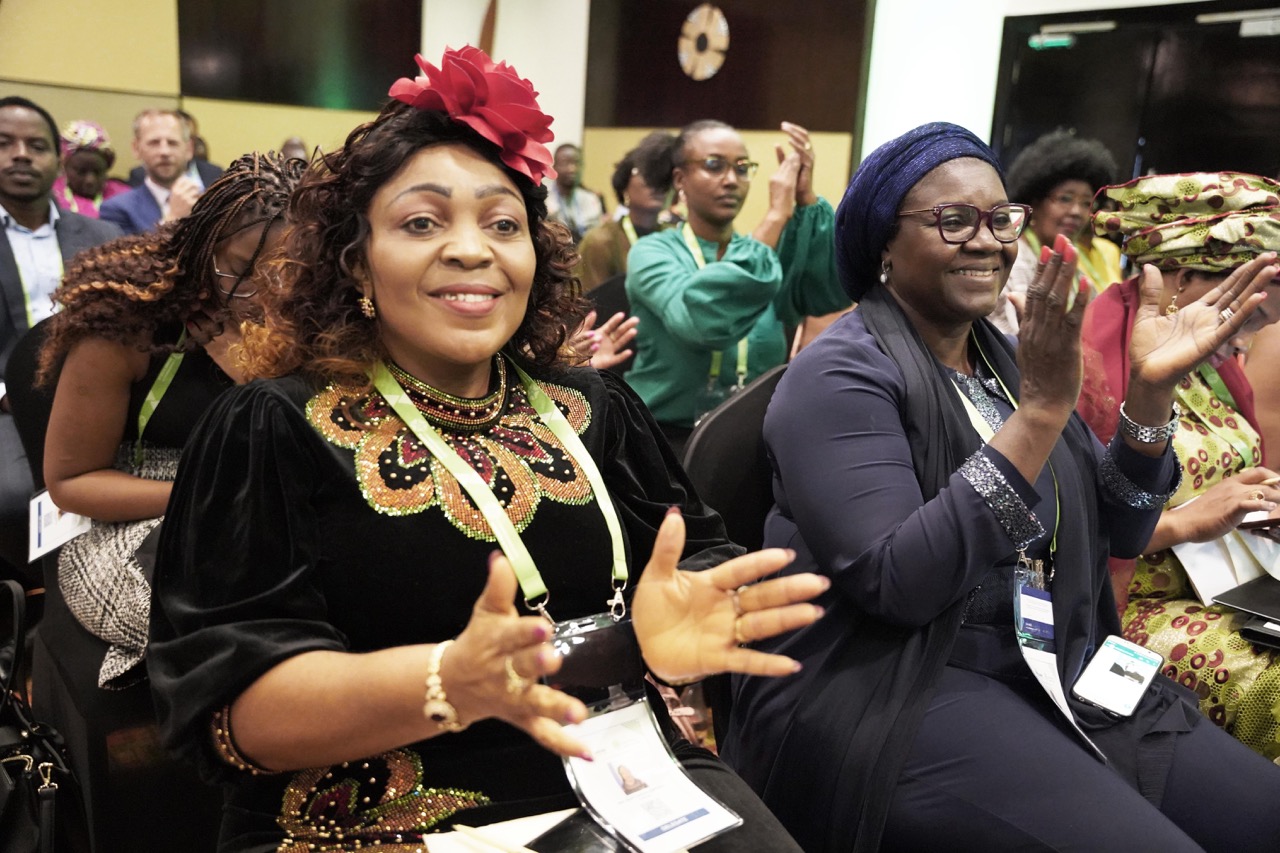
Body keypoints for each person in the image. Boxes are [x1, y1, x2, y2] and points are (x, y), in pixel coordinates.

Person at [147, 46, 825, 852]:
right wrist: (448, 682)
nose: (473, 249)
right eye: (422, 222)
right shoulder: (273, 427)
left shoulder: (594, 406)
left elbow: (695, 561)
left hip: (617, 764)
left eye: (503, 223)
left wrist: (677, 624)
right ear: (355, 262)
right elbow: (236, 713)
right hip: (365, 806)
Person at [720, 122, 1280, 852]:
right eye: (952, 220)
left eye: (1000, 218)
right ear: (882, 243)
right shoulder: (838, 374)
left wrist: (1149, 395)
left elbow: (1123, 526)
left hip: (1052, 656)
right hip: (901, 682)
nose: (985, 240)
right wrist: (1043, 412)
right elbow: (900, 584)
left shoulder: (1002, 357)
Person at [38, 151, 304, 687]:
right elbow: (71, 482)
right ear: (200, 250)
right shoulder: (132, 327)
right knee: (228, 623)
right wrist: (212, 491)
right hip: (136, 512)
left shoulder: (322, 320)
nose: (268, 300)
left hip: (277, 498)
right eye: (241, 272)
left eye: (291, 276)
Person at [1078, 172, 1280, 757]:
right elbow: (1053, 532)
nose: (1244, 344)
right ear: (1181, 278)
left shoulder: (1218, 370)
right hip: (1125, 607)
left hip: (1230, 590)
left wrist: (1254, 501)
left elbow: (1224, 483)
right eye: (1244, 319)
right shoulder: (1090, 366)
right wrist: (1184, 523)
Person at [624, 120, 850, 452]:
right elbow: (701, 323)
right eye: (714, 166)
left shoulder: (761, 255)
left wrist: (805, 201)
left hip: (753, 439)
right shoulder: (653, 252)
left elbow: (825, 292)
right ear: (680, 179)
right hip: (666, 442)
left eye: (742, 168)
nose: (731, 180)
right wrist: (774, 217)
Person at [0, 96, 119, 573]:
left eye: (37, 145)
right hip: (6, 405)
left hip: (93, 396)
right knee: (13, 497)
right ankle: (26, 608)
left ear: (58, 160)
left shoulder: (101, 234)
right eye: (5, 144)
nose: (22, 155)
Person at [988, 128, 1120, 334]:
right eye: (1065, 199)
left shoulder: (1073, 268)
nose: (1077, 211)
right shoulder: (1011, 261)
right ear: (1034, 202)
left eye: (1086, 203)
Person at [576, 132, 670, 293]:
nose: (656, 183)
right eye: (647, 174)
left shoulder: (674, 236)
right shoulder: (600, 241)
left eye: (663, 176)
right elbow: (590, 305)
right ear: (624, 185)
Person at [103, 109, 223, 235]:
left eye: (172, 143)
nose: (164, 152)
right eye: (154, 143)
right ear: (136, 148)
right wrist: (172, 219)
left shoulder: (214, 204)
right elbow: (124, 254)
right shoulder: (116, 210)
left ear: (189, 149)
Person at [52, 119, 131, 217]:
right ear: (64, 167)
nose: (90, 180)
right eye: (81, 172)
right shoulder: (50, 196)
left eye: (98, 172)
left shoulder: (125, 197)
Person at [546, 142, 605, 244]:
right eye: (565, 163)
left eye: (577, 163)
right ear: (554, 166)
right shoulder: (544, 197)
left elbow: (592, 235)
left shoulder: (590, 199)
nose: (572, 169)